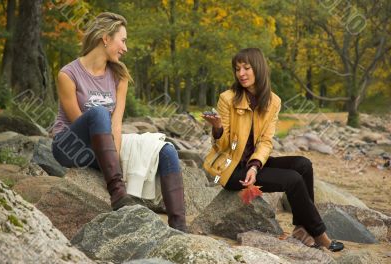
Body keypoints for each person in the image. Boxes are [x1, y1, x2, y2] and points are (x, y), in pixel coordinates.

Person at [50, 12, 186, 232]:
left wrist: (116, 153)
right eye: (122, 40)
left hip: (103, 146)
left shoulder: (119, 76)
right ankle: (118, 193)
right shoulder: (68, 74)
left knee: (165, 149)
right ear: (105, 38)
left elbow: (116, 123)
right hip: (70, 145)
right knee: (98, 113)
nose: (125, 48)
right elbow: (79, 121)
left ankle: (180, 230)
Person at [202, 48, 344, 251]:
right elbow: (223, 147)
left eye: (246, 68)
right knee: (292, 179)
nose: (241, 73)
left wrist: (254, 166)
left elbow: (266, 142)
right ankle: (320, 235)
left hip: (253, 164)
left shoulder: (273, 101)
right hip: (231, 168)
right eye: (237, 69)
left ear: (258, 68)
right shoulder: (227, 99)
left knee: (303, 165)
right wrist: (217, 128)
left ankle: (301, 227)